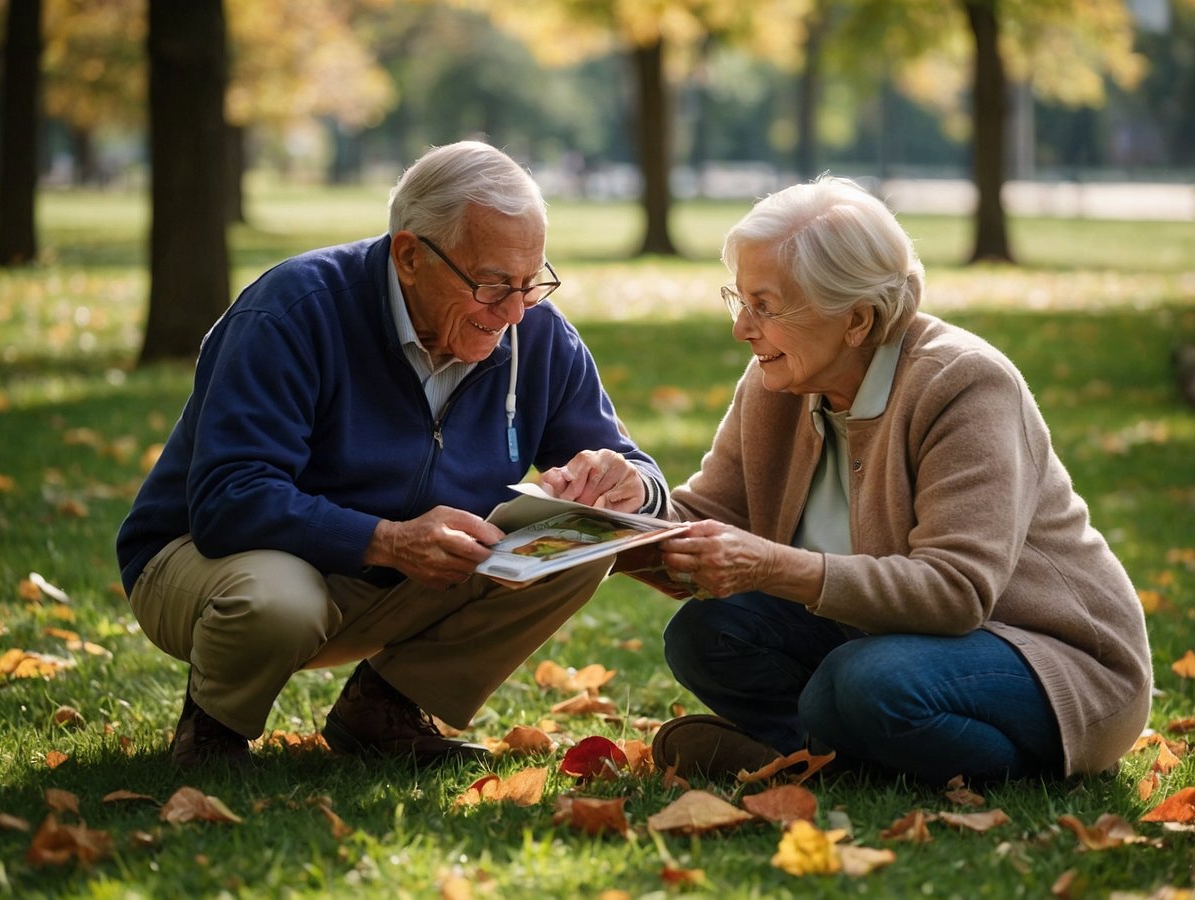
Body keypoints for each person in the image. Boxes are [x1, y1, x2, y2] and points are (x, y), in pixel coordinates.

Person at [116, 141, 668, 768]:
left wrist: (629, 484)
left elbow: (641, 475)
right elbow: (228, 501)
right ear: (409, 256)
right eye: (492, 285)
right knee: (279, 598)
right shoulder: (295, 311)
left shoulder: (535, 332)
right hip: (212, 566)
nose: (515, 312)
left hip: (396, 579)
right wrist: (388, 539)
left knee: (575, 546)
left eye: (531, 282)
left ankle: (385, 709)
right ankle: (214, 725)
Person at [649, 175, 1152, 785]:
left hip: (1049, 659)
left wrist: (772, 567)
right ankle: (831, 759)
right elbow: (708, 520)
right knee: (706, 633)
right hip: (879, 640)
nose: (742, 329)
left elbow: (955, 592)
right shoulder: (775, 382)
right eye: (739, 300)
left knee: (863, 681)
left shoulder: (963, 383)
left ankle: (826, 756)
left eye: (766, 305)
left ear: (856, 320)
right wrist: (617, 522)